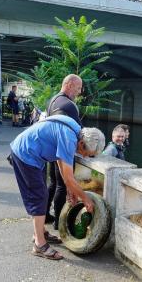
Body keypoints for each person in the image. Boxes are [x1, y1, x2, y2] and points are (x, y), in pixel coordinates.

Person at [10, 114, 105, 260]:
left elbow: (61, 162)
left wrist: (70, 188)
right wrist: (85, 199)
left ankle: (39, 232)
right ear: (81, 144)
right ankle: (39, 245)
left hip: (34, 154)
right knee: (39, 197)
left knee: (42, 195)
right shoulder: (69, 139)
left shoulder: (75, 131)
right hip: (26, 154)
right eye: (87, 153)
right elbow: (68, 176)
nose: (85, 157)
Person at [46, 74, 83, 229]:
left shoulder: (52, 101)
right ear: (69, 84)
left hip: (51, 149)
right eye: (78, 88)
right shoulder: (70, 105)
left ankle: (46, 214)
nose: (80, 92)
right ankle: (59, 224)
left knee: (53, 183)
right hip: (63, 148)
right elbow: (79, 133)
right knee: (62, 185)